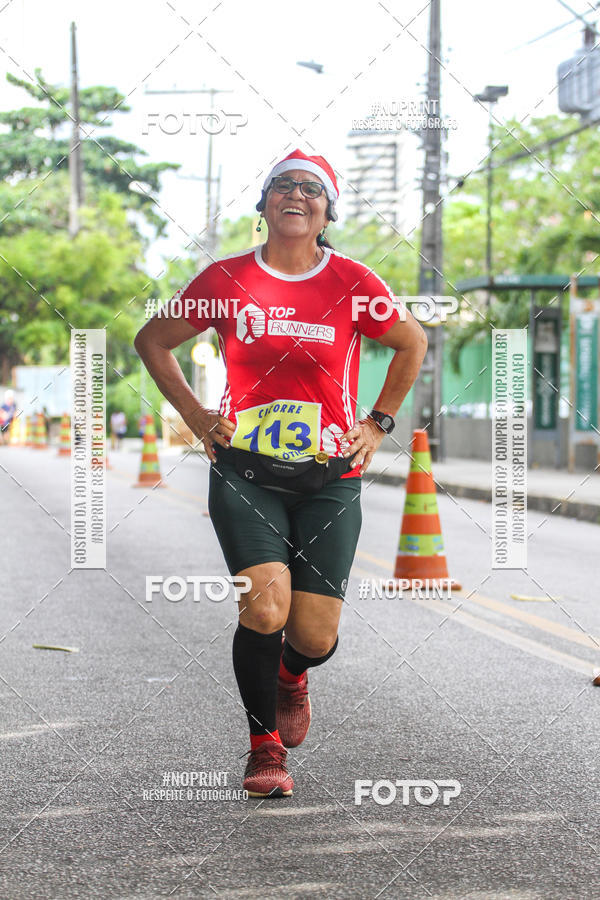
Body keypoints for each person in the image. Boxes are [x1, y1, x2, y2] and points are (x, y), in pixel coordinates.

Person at [134, 149, 427, 798]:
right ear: (263, 204)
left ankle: (294, 674)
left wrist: (377, 421)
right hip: (245, 471)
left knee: (315, 635)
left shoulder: (352, 281)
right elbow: (151, 340)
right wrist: (195, 414)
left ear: (327, 211)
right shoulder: (225, 280)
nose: (296, 195)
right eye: (282, 186)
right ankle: (263, 747)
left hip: (332, 474)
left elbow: (412, 343)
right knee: (265, 606)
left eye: (311, 189)